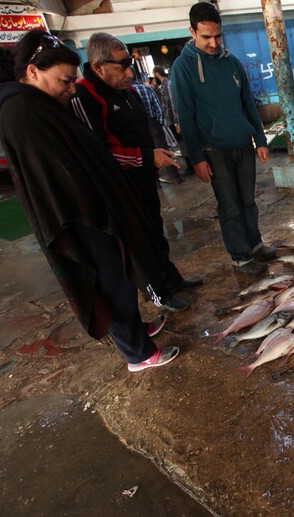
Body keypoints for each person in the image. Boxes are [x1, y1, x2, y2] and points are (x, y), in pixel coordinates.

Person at [0, 30, 179, 372]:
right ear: (32, 72)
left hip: (95, 208)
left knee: (122, 274)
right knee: (108, 282)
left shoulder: (41, 103)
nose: (71, 88)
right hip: (80, 216)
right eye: (63, 81)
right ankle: (137, 354)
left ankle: (136, 331)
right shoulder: (21, 111)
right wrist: (97, 206)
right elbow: (57, 175)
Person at [70, 32, 202, 311]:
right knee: (137, 241)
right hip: (118, 186)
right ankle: (158, 294)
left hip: (144, 178)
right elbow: (99, 153)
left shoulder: (128, 92)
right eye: (121, 66)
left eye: (129, 64)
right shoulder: (85, 95)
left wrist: (153, 156)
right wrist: (146, 157)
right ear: (98, 66)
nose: (129, 73)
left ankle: (172, 281)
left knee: (155, 231)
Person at [172, 2, 276, 276]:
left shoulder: (232, 63)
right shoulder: (183, 68)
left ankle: (255, 245)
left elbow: (248, 104)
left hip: (242, 146)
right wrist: (197, 158)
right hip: (213, 149)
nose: (214, 42)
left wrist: (260, 139)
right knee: (229, 205)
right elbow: (186, 116)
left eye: (218, 36)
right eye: (206, 37)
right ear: (192, 32)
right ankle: (240, 256)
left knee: (248, 201)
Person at [131, 76, 183, 184]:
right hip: (153, 122)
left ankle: (156, 181)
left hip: (138, 127)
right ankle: (175, 177)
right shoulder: (146, 88)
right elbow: (158, 107)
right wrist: (159, 123)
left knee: (147, 153)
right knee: (163, 150)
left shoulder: (126, 92)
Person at [153, 66, 193, 173]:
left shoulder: (168, 85)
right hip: (171, 120)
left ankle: (191, 166)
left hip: (175, 121)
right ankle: (190, 165)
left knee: (183, 143)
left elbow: (173, 104)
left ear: (157, 74)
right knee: (181, 143)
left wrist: (176, 122)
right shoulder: (163, 86)